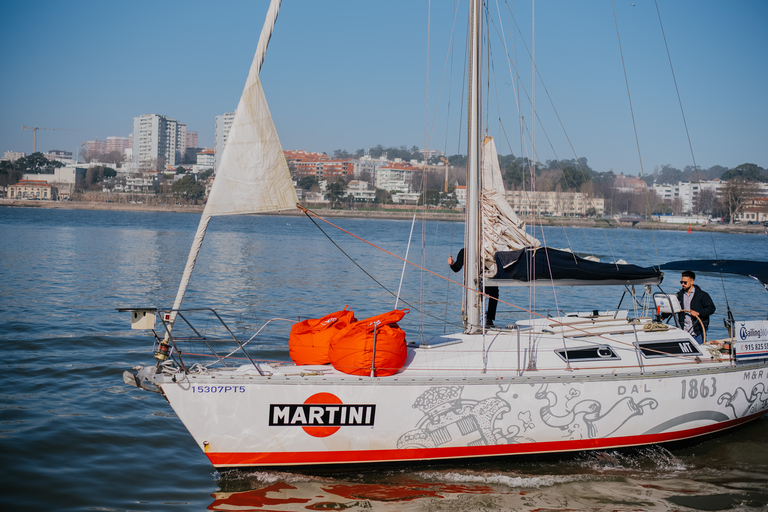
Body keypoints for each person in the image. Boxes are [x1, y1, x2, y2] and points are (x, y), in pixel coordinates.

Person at [448, 248, 499, 327]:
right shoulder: (465, 251)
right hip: (472, 282)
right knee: (493, 291)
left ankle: (489, 319)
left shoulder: (488, 250)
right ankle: (477, 319)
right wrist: (452, 264)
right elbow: (457, 268)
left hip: (485, 279)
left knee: (494, 291)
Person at [676, 270, 716, 344]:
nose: (683, 284)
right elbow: (673, 308)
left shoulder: (702, 295)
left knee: (700, 353)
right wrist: (662, 317)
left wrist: (699, 313)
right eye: (681, 282)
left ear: (692, 281)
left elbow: (711, 308)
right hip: (683, 331)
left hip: (698, 332)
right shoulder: (679, 295)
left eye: (685, 282)